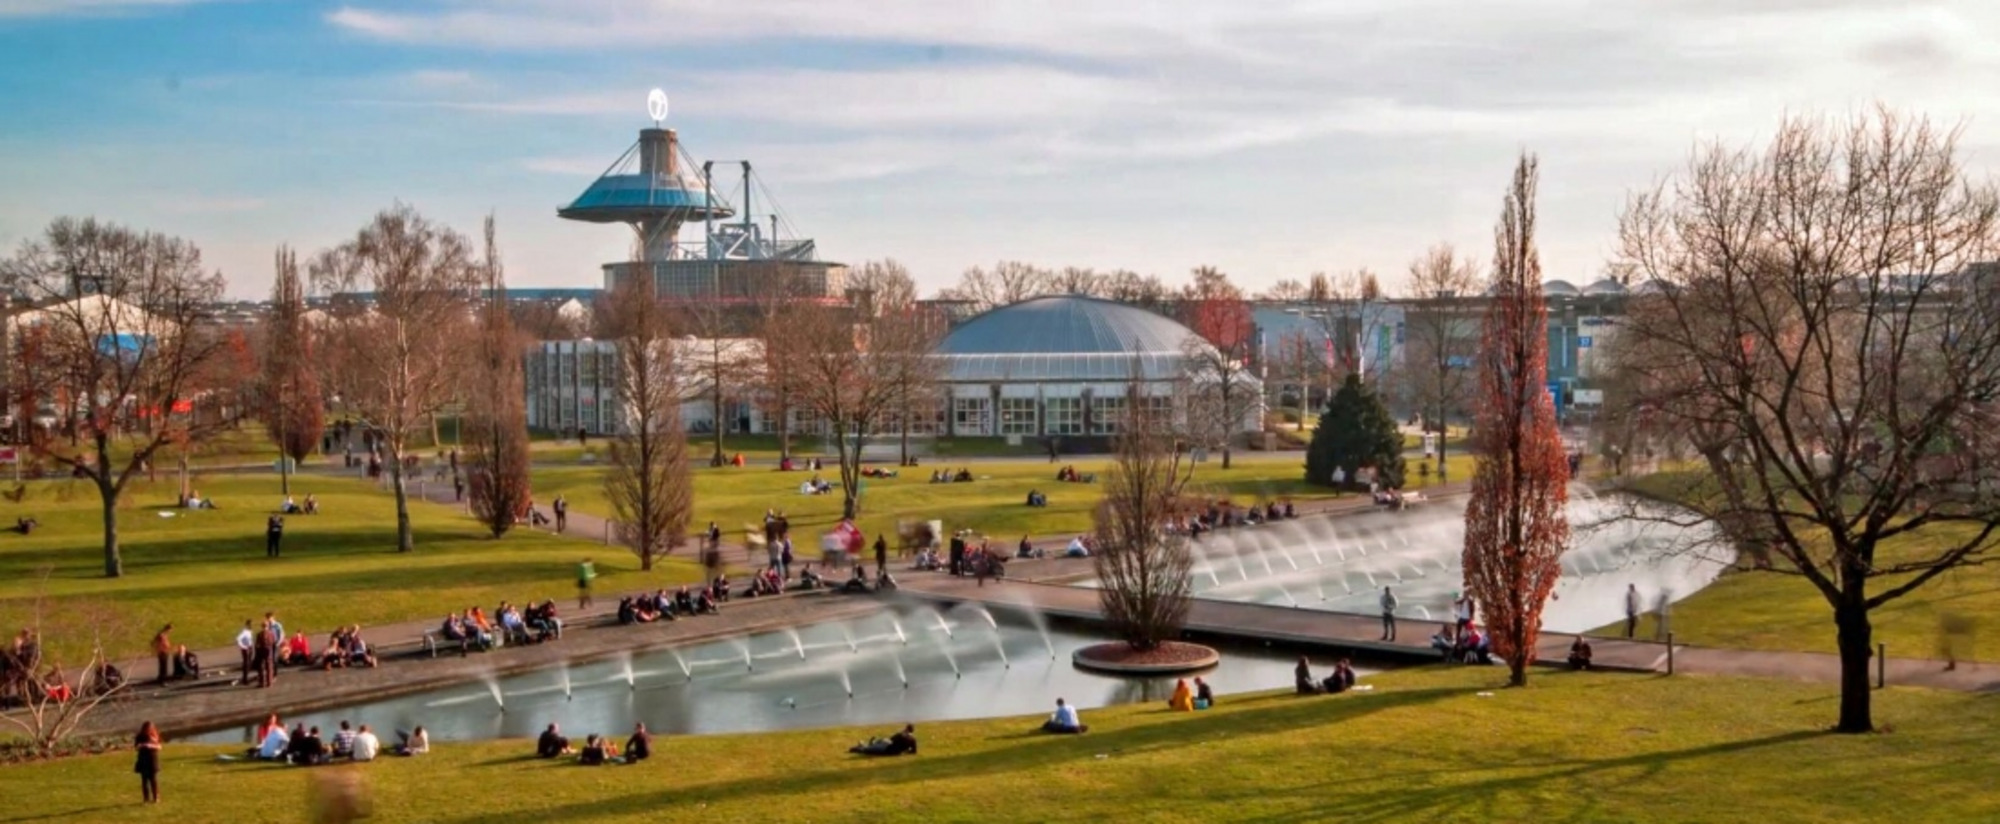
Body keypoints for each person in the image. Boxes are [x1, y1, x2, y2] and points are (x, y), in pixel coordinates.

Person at [134, 721, 162, 804]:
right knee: (144, 780)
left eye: (150, 729)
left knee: (153, 780)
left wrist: (151, 745)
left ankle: (156, 797)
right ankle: (146, 798)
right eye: (147, 729)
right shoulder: (140, 736)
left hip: (152, 759)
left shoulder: (155, 736)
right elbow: (136, 747)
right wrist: (142, 746)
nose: (148, 731)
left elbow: (159, 747)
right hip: (143, 760)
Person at [235, 619, 255, 686]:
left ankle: (246, 677)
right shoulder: (245, 632)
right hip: (246, 649)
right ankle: (245, 679)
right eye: (250, 625)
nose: (251, 626)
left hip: (249, 648)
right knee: (246, 664)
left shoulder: (249, 632)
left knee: (248, 663)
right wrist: (243, 647)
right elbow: (238, 639)